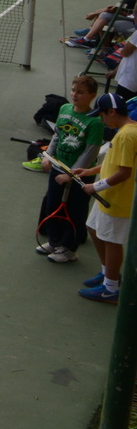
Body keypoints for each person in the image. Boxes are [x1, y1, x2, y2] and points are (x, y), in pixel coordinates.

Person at [33, 75, 105, 264]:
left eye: (80, 92)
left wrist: (71, 174)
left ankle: (69, 249)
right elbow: (57, 135)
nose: (74, 95)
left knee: (75, 211)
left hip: (80, 176)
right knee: (52, 204)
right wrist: (48, 155)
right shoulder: (64, 109)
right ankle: (54, 241)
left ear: (92, 96)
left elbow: (90, 152)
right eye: (73, 90)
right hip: (58, 169)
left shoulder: (95, 122)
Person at [78, 93, 137, 303]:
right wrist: (89, 171)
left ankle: (110, 289)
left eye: (102, 115)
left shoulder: (126, 136)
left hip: (117, 200)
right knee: (93, 228)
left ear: (111, 112)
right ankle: (107, 273)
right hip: (108, 196)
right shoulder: (124, 132)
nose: (102, 121)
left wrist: (95, 186)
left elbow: (124, 173)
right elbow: (113, 161)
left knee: (112, 241)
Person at [64, 0, 136, 50]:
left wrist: (94, 14)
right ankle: (91, 36)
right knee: (103, 14)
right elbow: (113, 9)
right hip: (130, 18)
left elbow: (114, 10)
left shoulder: (130, 0)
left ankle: (101, 47)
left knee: (104, 21)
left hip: (133, 23)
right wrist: (97, 13)